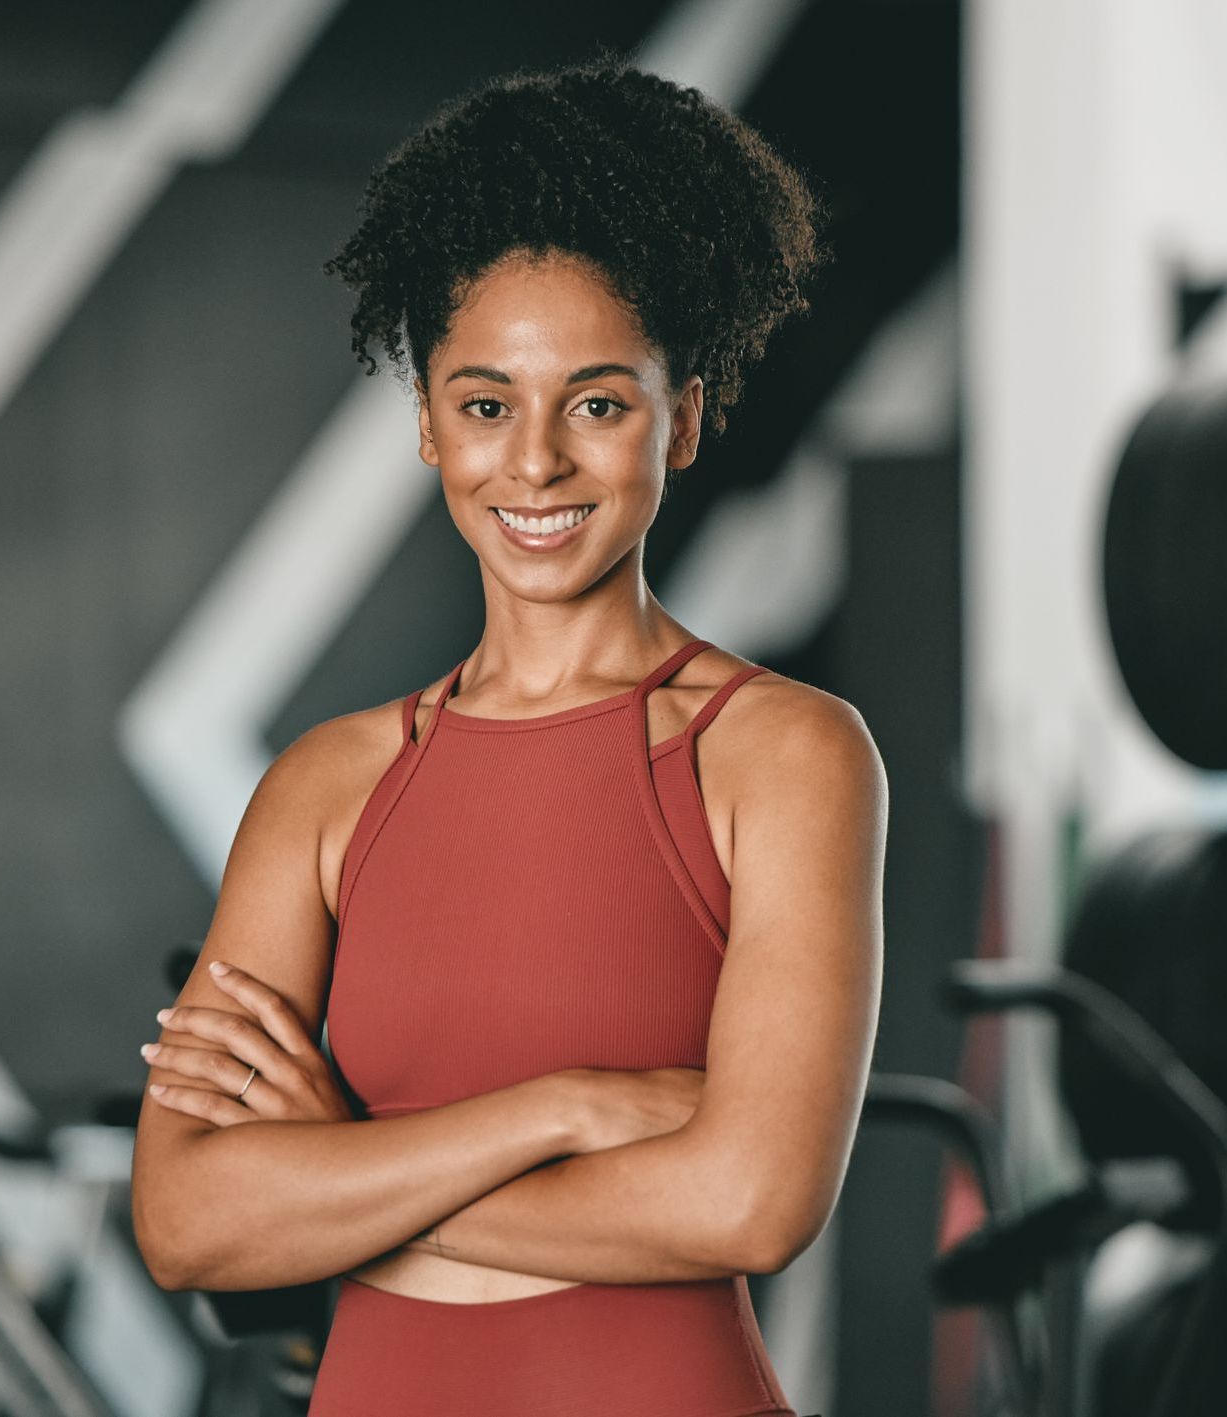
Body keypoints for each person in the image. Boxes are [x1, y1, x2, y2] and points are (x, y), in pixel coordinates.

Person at [130, 52, 886, 1417]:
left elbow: (751, 1201)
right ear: (428, 423)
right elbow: (189, 1220)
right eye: (485, 404)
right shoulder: (326, 786)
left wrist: (342, 1172)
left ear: (686, 417)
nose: (532, 462)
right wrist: (568, 1108)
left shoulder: (783, 754)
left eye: (597, 403)